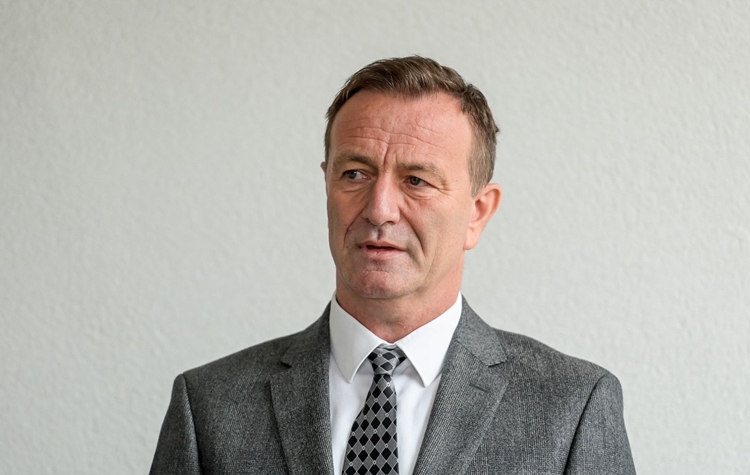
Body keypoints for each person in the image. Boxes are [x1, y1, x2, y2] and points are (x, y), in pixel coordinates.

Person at [149, 56, 636, 475]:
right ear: (327, 185)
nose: (379, 209)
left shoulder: (572, 408)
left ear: (477, 213)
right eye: (354, 173)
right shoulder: (209, 407)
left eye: (417, 180)